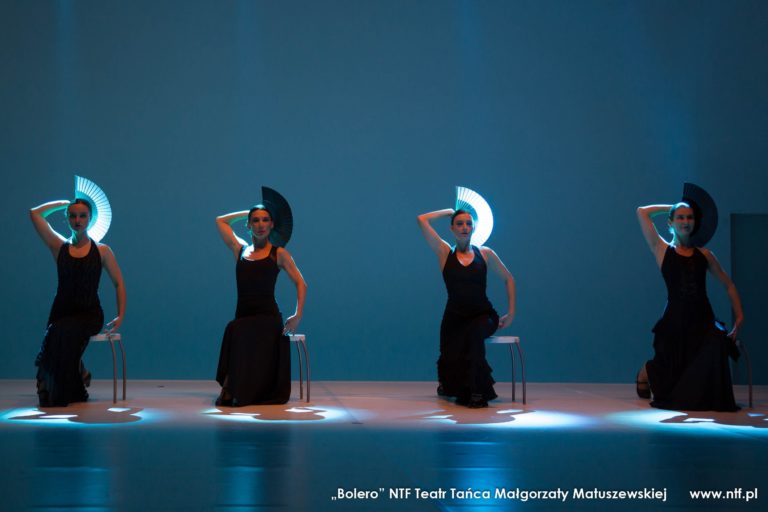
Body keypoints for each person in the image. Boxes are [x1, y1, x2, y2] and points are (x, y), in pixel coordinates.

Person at [636, 202, 743, 411]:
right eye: (681, 217)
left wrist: (739, 317)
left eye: (690, 217)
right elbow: (642, 212)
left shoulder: (705, 255)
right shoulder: (662, 249)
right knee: (669, 371)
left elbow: (728, 285)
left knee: (717, 344)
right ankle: (645, 372)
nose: (686, 222)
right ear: (671, 222)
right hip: (674, 320)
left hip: (703, 320)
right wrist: (674, 205)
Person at [30, 198, 126, 407]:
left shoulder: (102, 251)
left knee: (60, 331)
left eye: (83, 216)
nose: (78, 220)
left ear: (90, 219)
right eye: (72, 215)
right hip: (61, 311)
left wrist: (121, 314)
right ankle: (77, 373)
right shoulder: (58, 247)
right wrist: (62, 203)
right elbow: (35, 214)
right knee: (58, 330)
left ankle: (76, 376)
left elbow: (118, 283)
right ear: (67, 219)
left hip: (89, 314)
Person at [417, 208, 516, 408]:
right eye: (460, 223)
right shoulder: (445, 252)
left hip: (483, 315)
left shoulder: (485, 254)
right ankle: (451, 386)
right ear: (452, 228)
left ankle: (478, 392)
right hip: (454, 316)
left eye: (468, 223)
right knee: (448, 355)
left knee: (473, 335)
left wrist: (511, 313)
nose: (465, 228)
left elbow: (508, 278)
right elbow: (422, 220)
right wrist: (449, 212)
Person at [215, 205, 307, 406]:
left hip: (268, 319)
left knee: (235, 329)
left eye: (266, 220)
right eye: (255, 220)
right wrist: (247, 212)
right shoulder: (240, 250)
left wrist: (297, 314)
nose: (260, 225)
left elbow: (301, 283)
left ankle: (229, 388)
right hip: (244, 315)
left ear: (272, 224)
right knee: (237, 329)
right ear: (249, 225)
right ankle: (234, 388)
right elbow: (220, 220)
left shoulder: (279, 253)